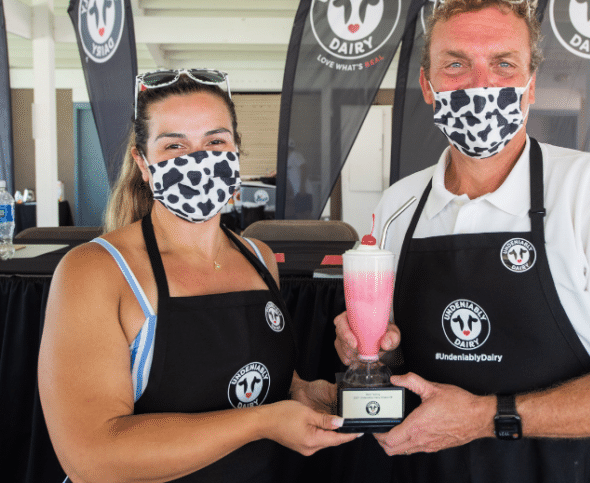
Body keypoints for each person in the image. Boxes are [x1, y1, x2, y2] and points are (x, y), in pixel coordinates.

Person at [333, 0, 590, 482]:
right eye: (456, 63)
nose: (481, 83)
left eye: (503, 63)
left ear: (530, 84)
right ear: (427, 85)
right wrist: (372, 348)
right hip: (428, 467)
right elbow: (395, 351)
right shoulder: (399, 204)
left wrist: (488, 418)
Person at [38, 69, 358, 483]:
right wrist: (263, 422)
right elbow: (91, 457)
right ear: (142, 162)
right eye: (174, 145)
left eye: (215, 141)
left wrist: (299, 391)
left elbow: (249, 375)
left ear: (236, 152)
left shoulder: (258, 257)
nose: (198, 159)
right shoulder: (97, 270)